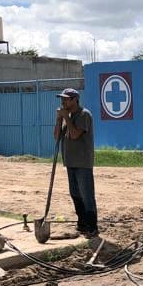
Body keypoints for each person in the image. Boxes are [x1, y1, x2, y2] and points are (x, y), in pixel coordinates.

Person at [53, 87, 98, 238]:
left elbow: (74, 135)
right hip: (70, 162)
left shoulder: (83, 114)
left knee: (86, 195)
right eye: (62, 99)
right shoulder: (68, 116)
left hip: (82, 162)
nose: (63, 101)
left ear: (74, 100)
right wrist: (59, 119)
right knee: (75, 194)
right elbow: (56, 136)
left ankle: (92, 227)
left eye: (66, 99)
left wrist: (66, 117)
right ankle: (82, 224)